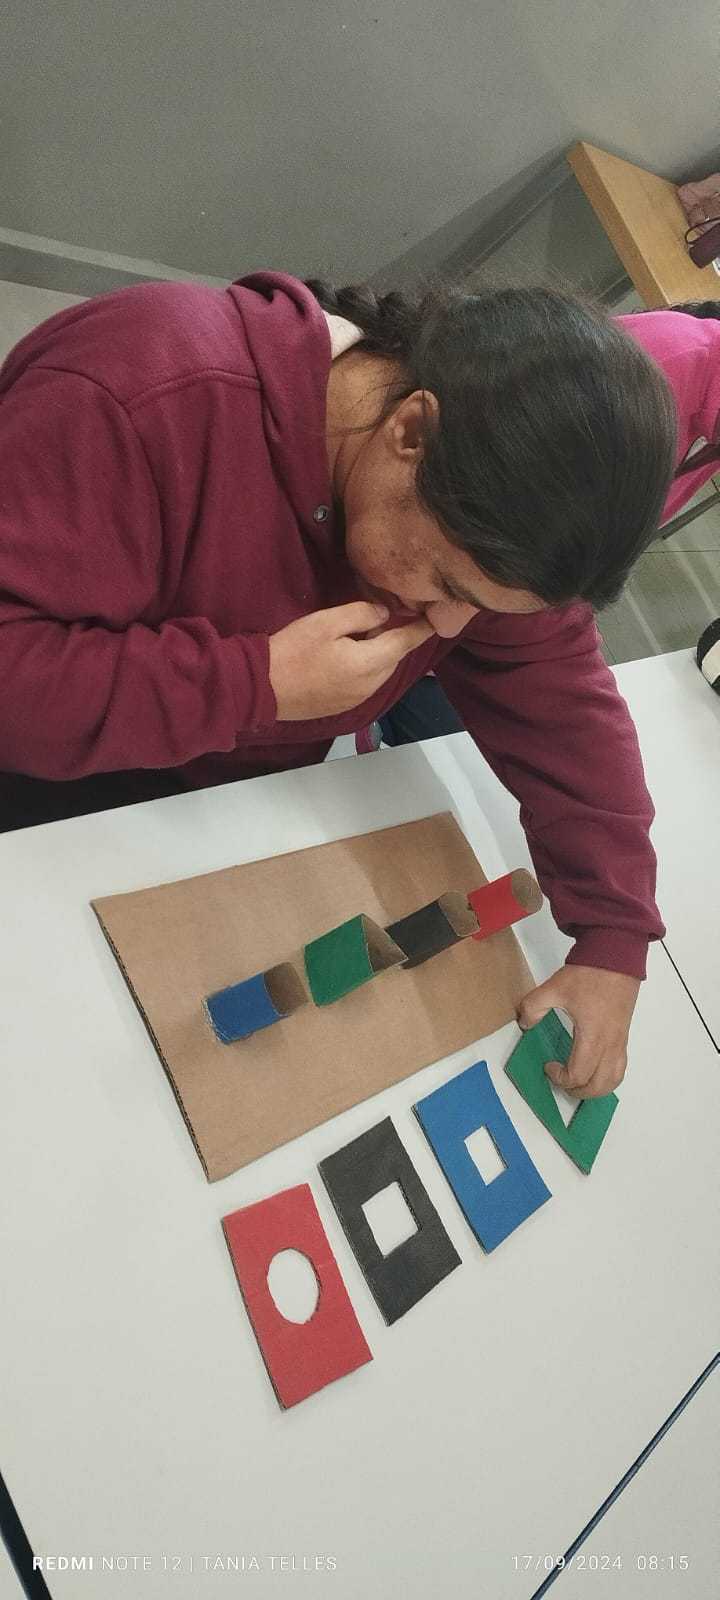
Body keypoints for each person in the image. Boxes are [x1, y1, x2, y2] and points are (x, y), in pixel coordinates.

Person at [0, 265, 718, 1104]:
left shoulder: (491, 527)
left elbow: (563, 706)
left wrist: (614, 932)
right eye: (447, 584)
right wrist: (255, 684)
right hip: (43, 791)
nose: (450, 626)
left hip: (202, 819)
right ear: (411, 432)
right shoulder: (142, 391)